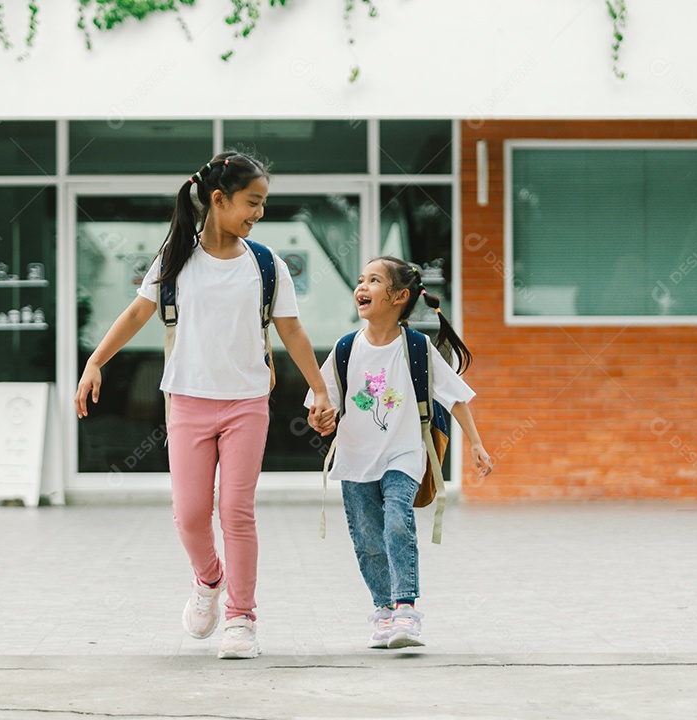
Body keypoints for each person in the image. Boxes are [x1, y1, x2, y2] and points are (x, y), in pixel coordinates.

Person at [75, 151, 334, 659]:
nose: (258, 213)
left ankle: (241, 618)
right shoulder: (175, 260)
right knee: (190, 514)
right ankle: (208, 579)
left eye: (262, 204)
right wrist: (95, 360)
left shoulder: (265, 264)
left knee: (236, 510)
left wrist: (319, 388)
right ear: (219, 200)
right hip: (188, 403)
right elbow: (136, 313)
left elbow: (293, 331)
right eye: (252, 202)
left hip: (247, 404)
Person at [305, 256, 492, 649]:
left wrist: (476, 443)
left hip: (403, 455)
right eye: (361, 280)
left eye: (374, 280)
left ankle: (406, 608)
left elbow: (455, 398)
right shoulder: (344, 348)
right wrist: (319, 419)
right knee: (367, 538)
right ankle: (384, 611)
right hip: (355, 460)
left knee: (396, 522)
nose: (362, 286)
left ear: (399, 297)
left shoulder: (417, 348)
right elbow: (322, 402)